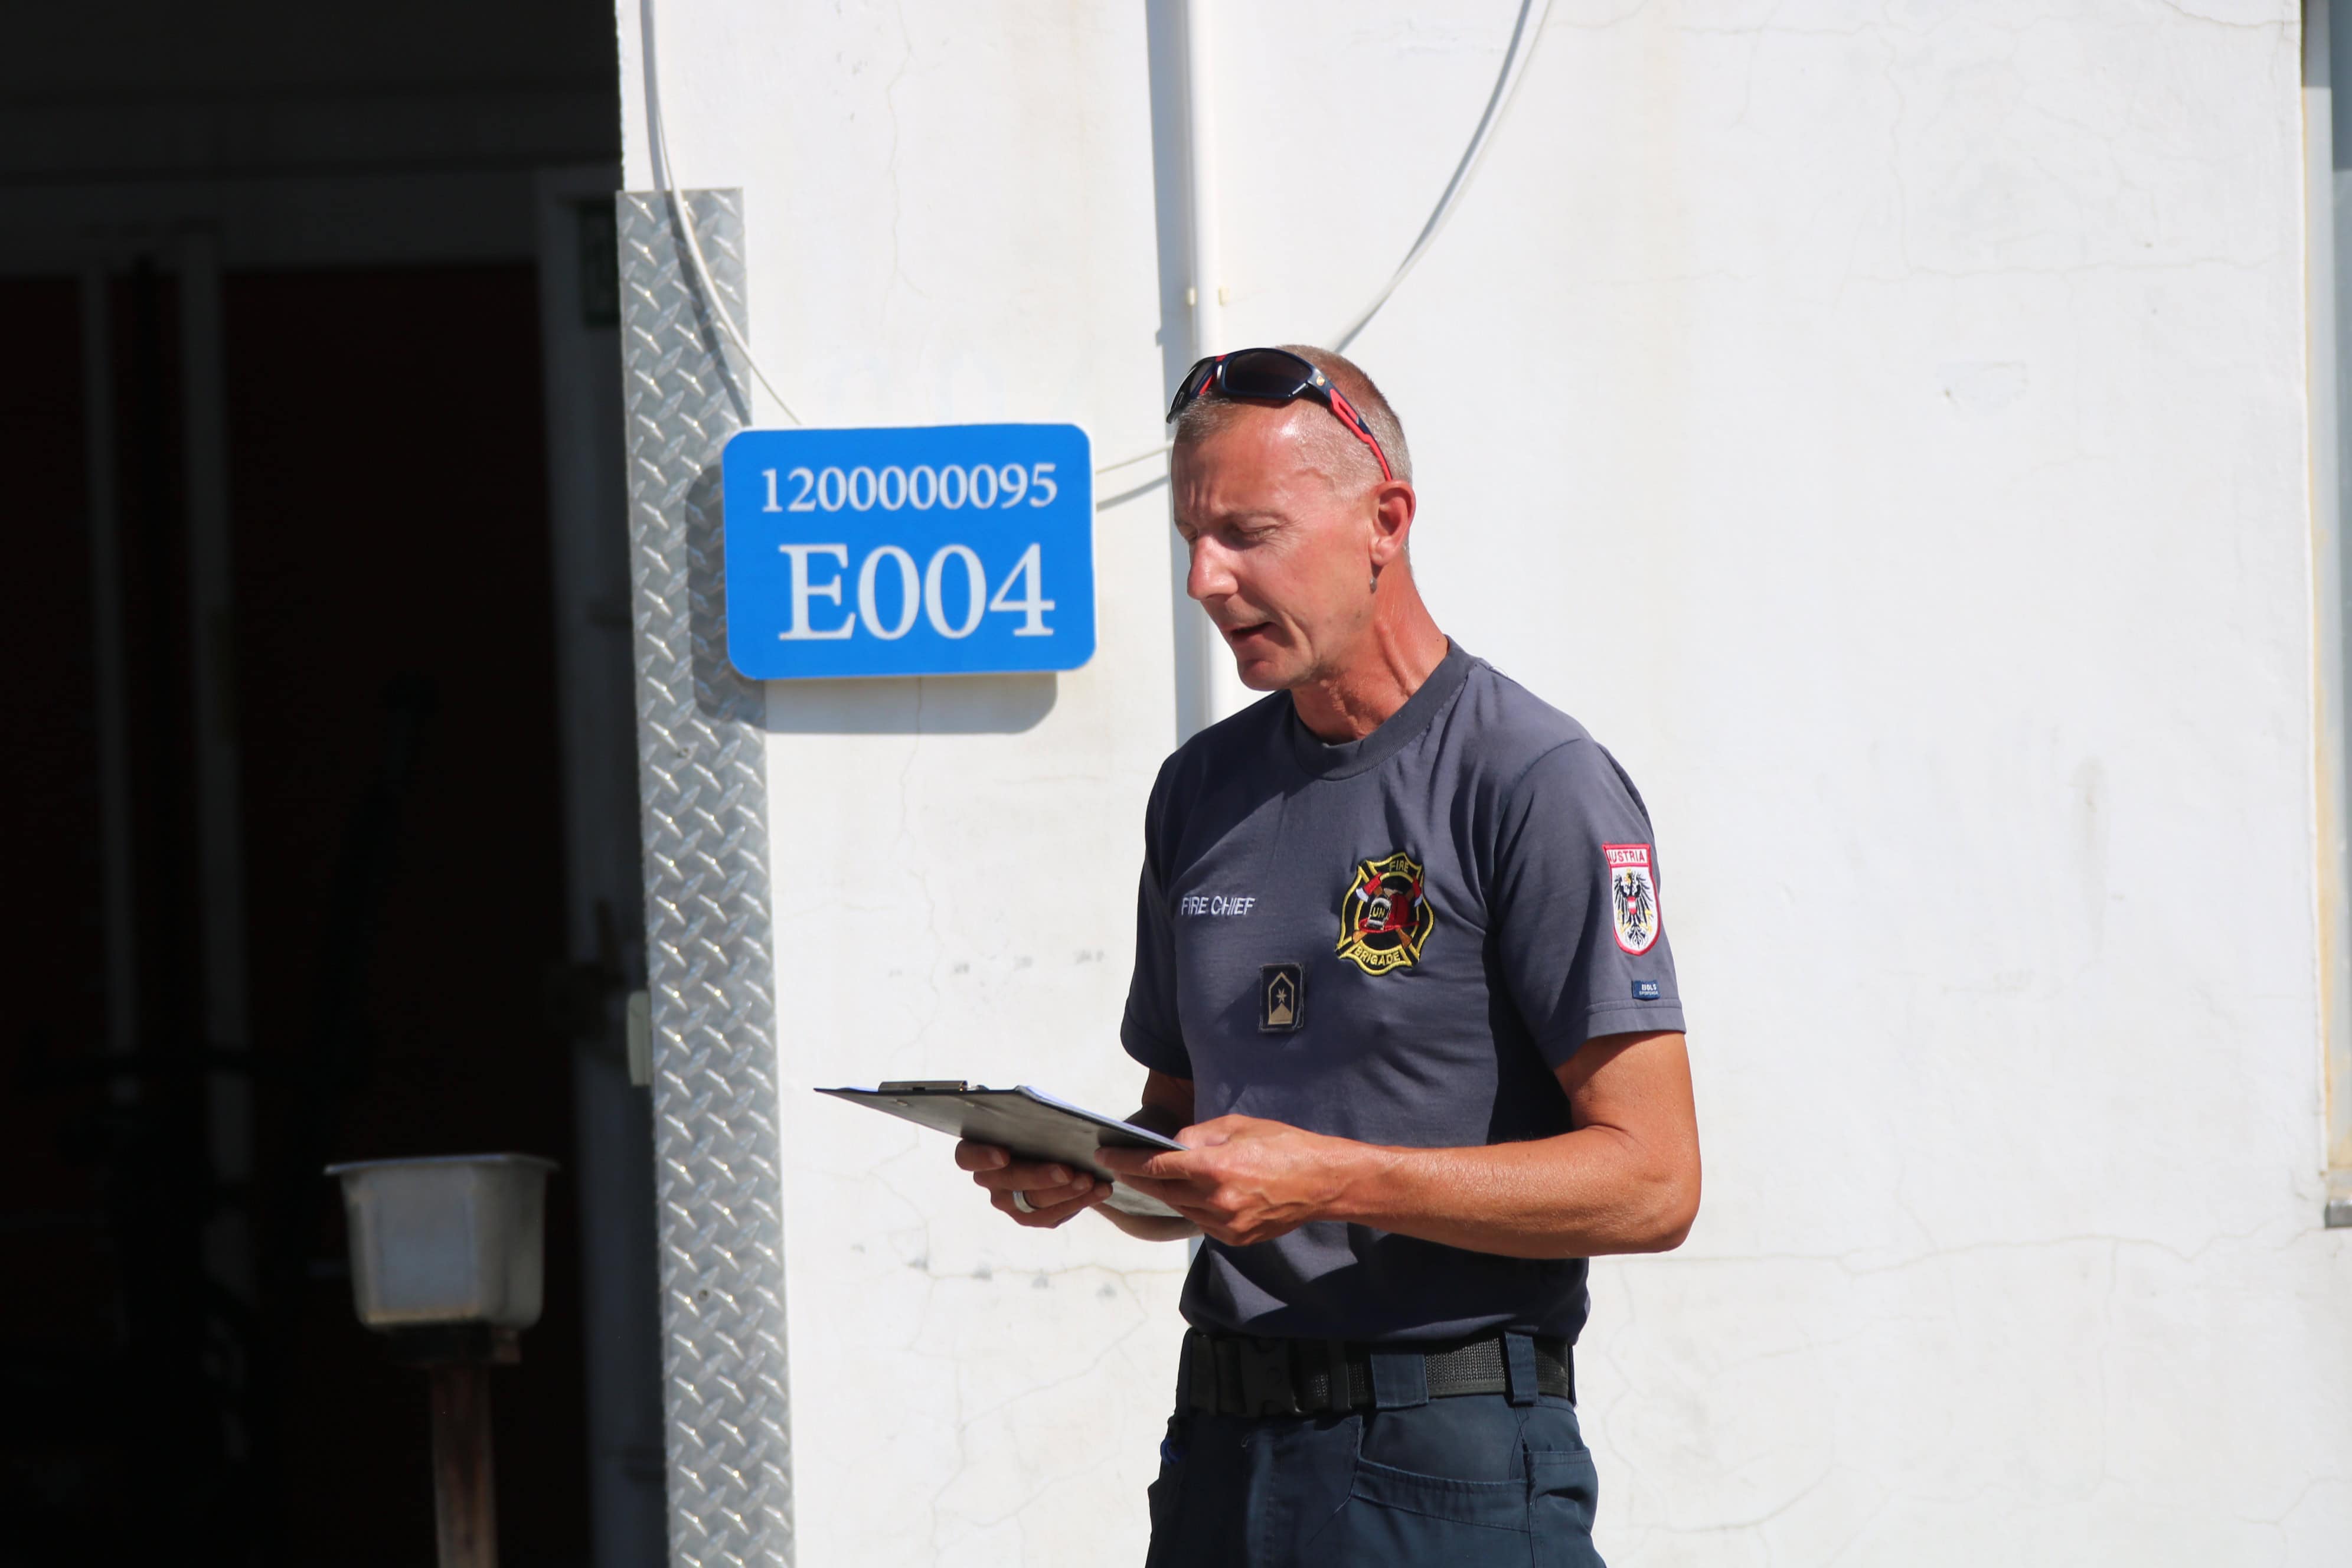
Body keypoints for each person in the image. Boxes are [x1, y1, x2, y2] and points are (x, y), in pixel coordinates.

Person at [955, 344, 1700, 1566]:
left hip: (1444, 1464)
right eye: (1192, 538)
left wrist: (1338, 1180)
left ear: (1384, 522)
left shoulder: (1534, 780)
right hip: (1221, 1453)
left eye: (1248, 534)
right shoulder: (1200, 791)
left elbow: (1655, 1181)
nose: (1205, 579)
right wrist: (1096, 1172)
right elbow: (1189, 1138)